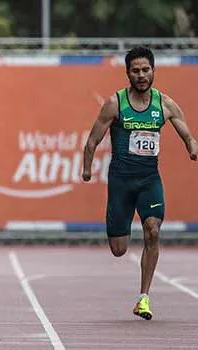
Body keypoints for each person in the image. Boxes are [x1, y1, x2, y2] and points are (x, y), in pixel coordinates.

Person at [82, 46, 197, 320]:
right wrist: (87, 169)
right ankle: (123, 224)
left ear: (153, 71)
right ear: (128, 74)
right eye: (136, 71)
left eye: (146, 70)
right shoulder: (115, 103)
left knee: (153, 230)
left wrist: (192, 147)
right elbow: (91, 141)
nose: (142, 75)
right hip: (121, 182)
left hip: (149, 181)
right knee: (119, 250)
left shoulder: (165, 104)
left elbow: (186, 132)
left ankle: (143, 298)